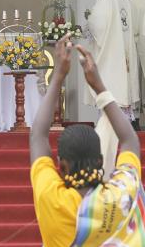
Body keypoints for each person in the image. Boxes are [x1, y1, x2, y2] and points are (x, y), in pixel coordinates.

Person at [30, 33, 144, 246]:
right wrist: (98, 86)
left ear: (62, 167)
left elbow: (38, 136)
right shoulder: (122, 194)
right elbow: (129, 140)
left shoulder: (52, 199)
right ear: (101, 162)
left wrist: (58, 76)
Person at [86, 0, 140, 173]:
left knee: (110, 99)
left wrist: (89, 19)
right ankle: (125, 132)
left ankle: (111, 141)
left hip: (111, 58)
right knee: (121, 98)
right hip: (125, 55)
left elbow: (98, 25)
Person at [122, 0, 145, 130]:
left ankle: (135, 121)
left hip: (138, 47)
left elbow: (129, 29)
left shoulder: (130, 2)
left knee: (136, 84)